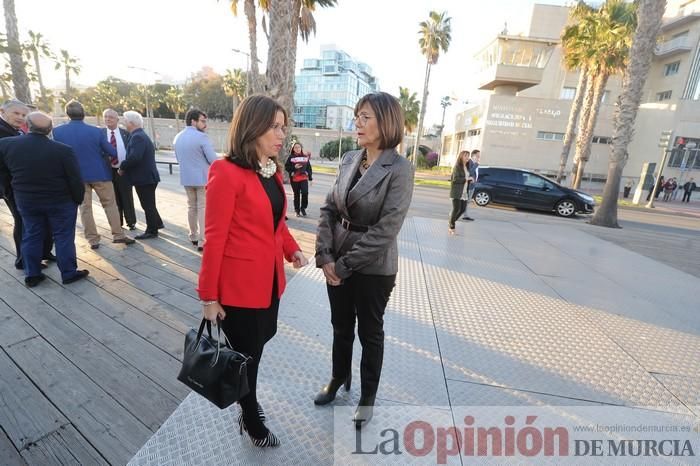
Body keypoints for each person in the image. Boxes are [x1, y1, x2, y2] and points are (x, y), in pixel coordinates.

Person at [197, 95, 308, 448]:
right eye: (274, 127)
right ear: (252, 127)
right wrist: (209, 297)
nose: (281, 134)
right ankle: (249, 415)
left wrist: (292, 250)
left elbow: (277, 224)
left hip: (270, 283)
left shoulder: (271, 172)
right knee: (248, 357)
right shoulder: (226, 172)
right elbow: (214, 238)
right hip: (239, 290)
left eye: (282, 126)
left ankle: (248, 403)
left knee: (259, 343)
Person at [314, 92, 414, 430]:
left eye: (365, 116)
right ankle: (337, 378)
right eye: (357, 115)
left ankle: (367, 397)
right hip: (337, 257)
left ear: (385, 122)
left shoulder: (400, 169)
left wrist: (342, 267)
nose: (357, 122)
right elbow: (329, 209)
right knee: (341, 327)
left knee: (370, 333)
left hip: (373, 267)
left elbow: (387, 229)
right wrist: (325, 255)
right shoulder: (349, 158)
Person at [0, 112, 88, 287]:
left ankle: (32, 273)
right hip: (60, 202)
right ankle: (68, 273)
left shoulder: (6, 145)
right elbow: (75, 179)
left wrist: (9, 188)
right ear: (50, 129)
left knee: (31, 234)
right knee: (63, 236)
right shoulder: (63, 150)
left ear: (28, 125)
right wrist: (78, 199)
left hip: (27, 201)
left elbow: (4, 171)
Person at [53, 100, 135, 250]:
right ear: (83, 113)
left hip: (76, 177)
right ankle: (118, 235)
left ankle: (93, 240)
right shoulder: (96, 131)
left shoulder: (58, 132)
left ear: (68, 114)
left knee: (85, 208)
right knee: (110, 205)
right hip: (100, 174)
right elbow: (112, 151)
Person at [0, 99, 55, 269]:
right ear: (2, 111)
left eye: (23, 115)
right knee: (23, 222)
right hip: (14, 186)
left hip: (26, 185)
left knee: (38, 220)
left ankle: (43, 252)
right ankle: (24, 260)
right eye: (16, 113)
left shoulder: (14, 131)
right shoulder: (3, 132)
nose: (20, 117)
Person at [173, 109, 218, 250]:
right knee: (202, 208)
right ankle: (202, 240)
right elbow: (213, 160)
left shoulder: (177, 137)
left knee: (191, 207)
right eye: (202, 121)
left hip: (186, 177)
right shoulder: (202, 137)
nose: (205, 125)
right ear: (193, 121)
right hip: (202, 178)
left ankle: (192, 236)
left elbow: (178, 158)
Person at [118, 111, 163, 240]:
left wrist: (123, 167)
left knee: (147, 204)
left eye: (125, 121)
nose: (124, 123)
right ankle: (157, 223)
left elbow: (135, 157)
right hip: (147, 177)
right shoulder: (139, 135)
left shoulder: (137, 137)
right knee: (149, 203)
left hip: (144, 178)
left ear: (131, 123)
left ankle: (152, 230)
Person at [103, 108, 136, 230]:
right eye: (106, 116)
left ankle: (131, 221)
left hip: (123, 170)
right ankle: (118, 222)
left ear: (117, 119)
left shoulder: (126, 133)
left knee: (126, 196)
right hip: (108, 171)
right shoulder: (100, 133)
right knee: (113, 198)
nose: (108, 119)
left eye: (111, 117)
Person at [284, 142, 313, 217]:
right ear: (293, 149)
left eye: (299, 147)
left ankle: (303, 208)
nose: (297, 149)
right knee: (296, 195)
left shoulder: (305, 157)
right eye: (295, 147)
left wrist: (310, 178)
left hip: (304, 178)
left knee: (305, 192)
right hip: (294, 179)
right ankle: (297, 210)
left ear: (301, 148)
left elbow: (309, 168)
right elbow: (286, 167)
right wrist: (294, 168)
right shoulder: (291, 157)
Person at [448, 150, 470, 234]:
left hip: (464, 192)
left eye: (468, 156)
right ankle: (452, 227)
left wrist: (470, 179)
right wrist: (467, 179)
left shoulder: (466, 166)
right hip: (457, 191)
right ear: (461, 156)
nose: (467, 157)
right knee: (456, 209)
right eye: (465, 155)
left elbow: (466, 177)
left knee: (462, 209)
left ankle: (451, 221)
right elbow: (455, 179)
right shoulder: (457, 166)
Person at [462, 149, 480, 221]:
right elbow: (469, 173)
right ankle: (464, 215)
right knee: (465, 201)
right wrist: (476, 164)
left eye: (479, 156)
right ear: (473, 155)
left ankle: (464, 214)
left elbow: (475, 174)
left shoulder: (474, 163)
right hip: (468, 186)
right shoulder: (470, 162)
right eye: (477, 156)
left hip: (472, 186)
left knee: (467, 201)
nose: (479, 157)